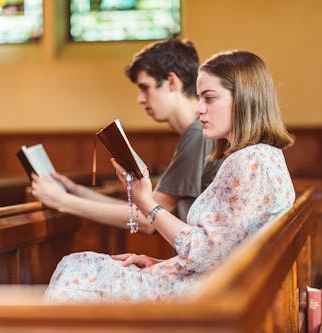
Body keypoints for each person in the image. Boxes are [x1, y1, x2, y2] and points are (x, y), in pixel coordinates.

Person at [43, 50, 296, 303]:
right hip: (212, 282)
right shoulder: (264, 156)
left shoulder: (248, 162)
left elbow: (205, 252)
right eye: (199, 98)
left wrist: (146, 201)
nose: (198, 110)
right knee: (81, 265)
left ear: (245, 99)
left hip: (214, 295)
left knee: (77, 270)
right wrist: (166, 264)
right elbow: (222, 248)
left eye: (209, 98)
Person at [31, 38, 222, 233]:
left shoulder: (197, 133)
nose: (140, 99)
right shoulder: (199, 132)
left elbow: (147, 219)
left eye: (144, 87)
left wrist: (62, 201)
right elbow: (146, 209)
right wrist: (77, 192)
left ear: (171, 82)